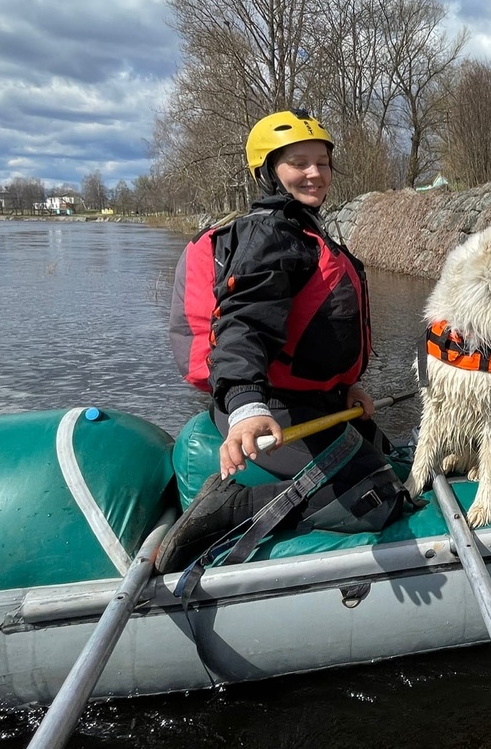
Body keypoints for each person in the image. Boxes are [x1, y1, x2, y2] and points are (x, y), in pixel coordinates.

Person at [156, 110, 407, 574]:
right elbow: (243, 323)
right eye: (298, 163)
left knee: (391, 459)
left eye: (322, 162)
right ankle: (233, 507)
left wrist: (344, 387)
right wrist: (247, 405)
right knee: (377, 500)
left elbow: (313, 328)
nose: (314, 173)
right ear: (269, 172)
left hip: (313, 400)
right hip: (271, 405)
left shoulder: (304, 230)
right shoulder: (268, 232)